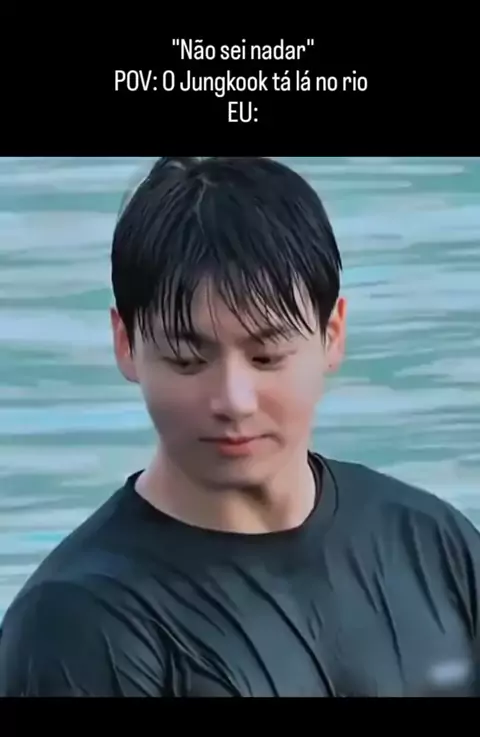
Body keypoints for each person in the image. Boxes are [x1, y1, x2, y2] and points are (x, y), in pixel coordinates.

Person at [1, 155, 479, 697]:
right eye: (187, 360)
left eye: (266, 357)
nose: (233, 400)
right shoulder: (77, 626)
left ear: (332, 334)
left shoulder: (433, 544)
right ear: (126, 344)